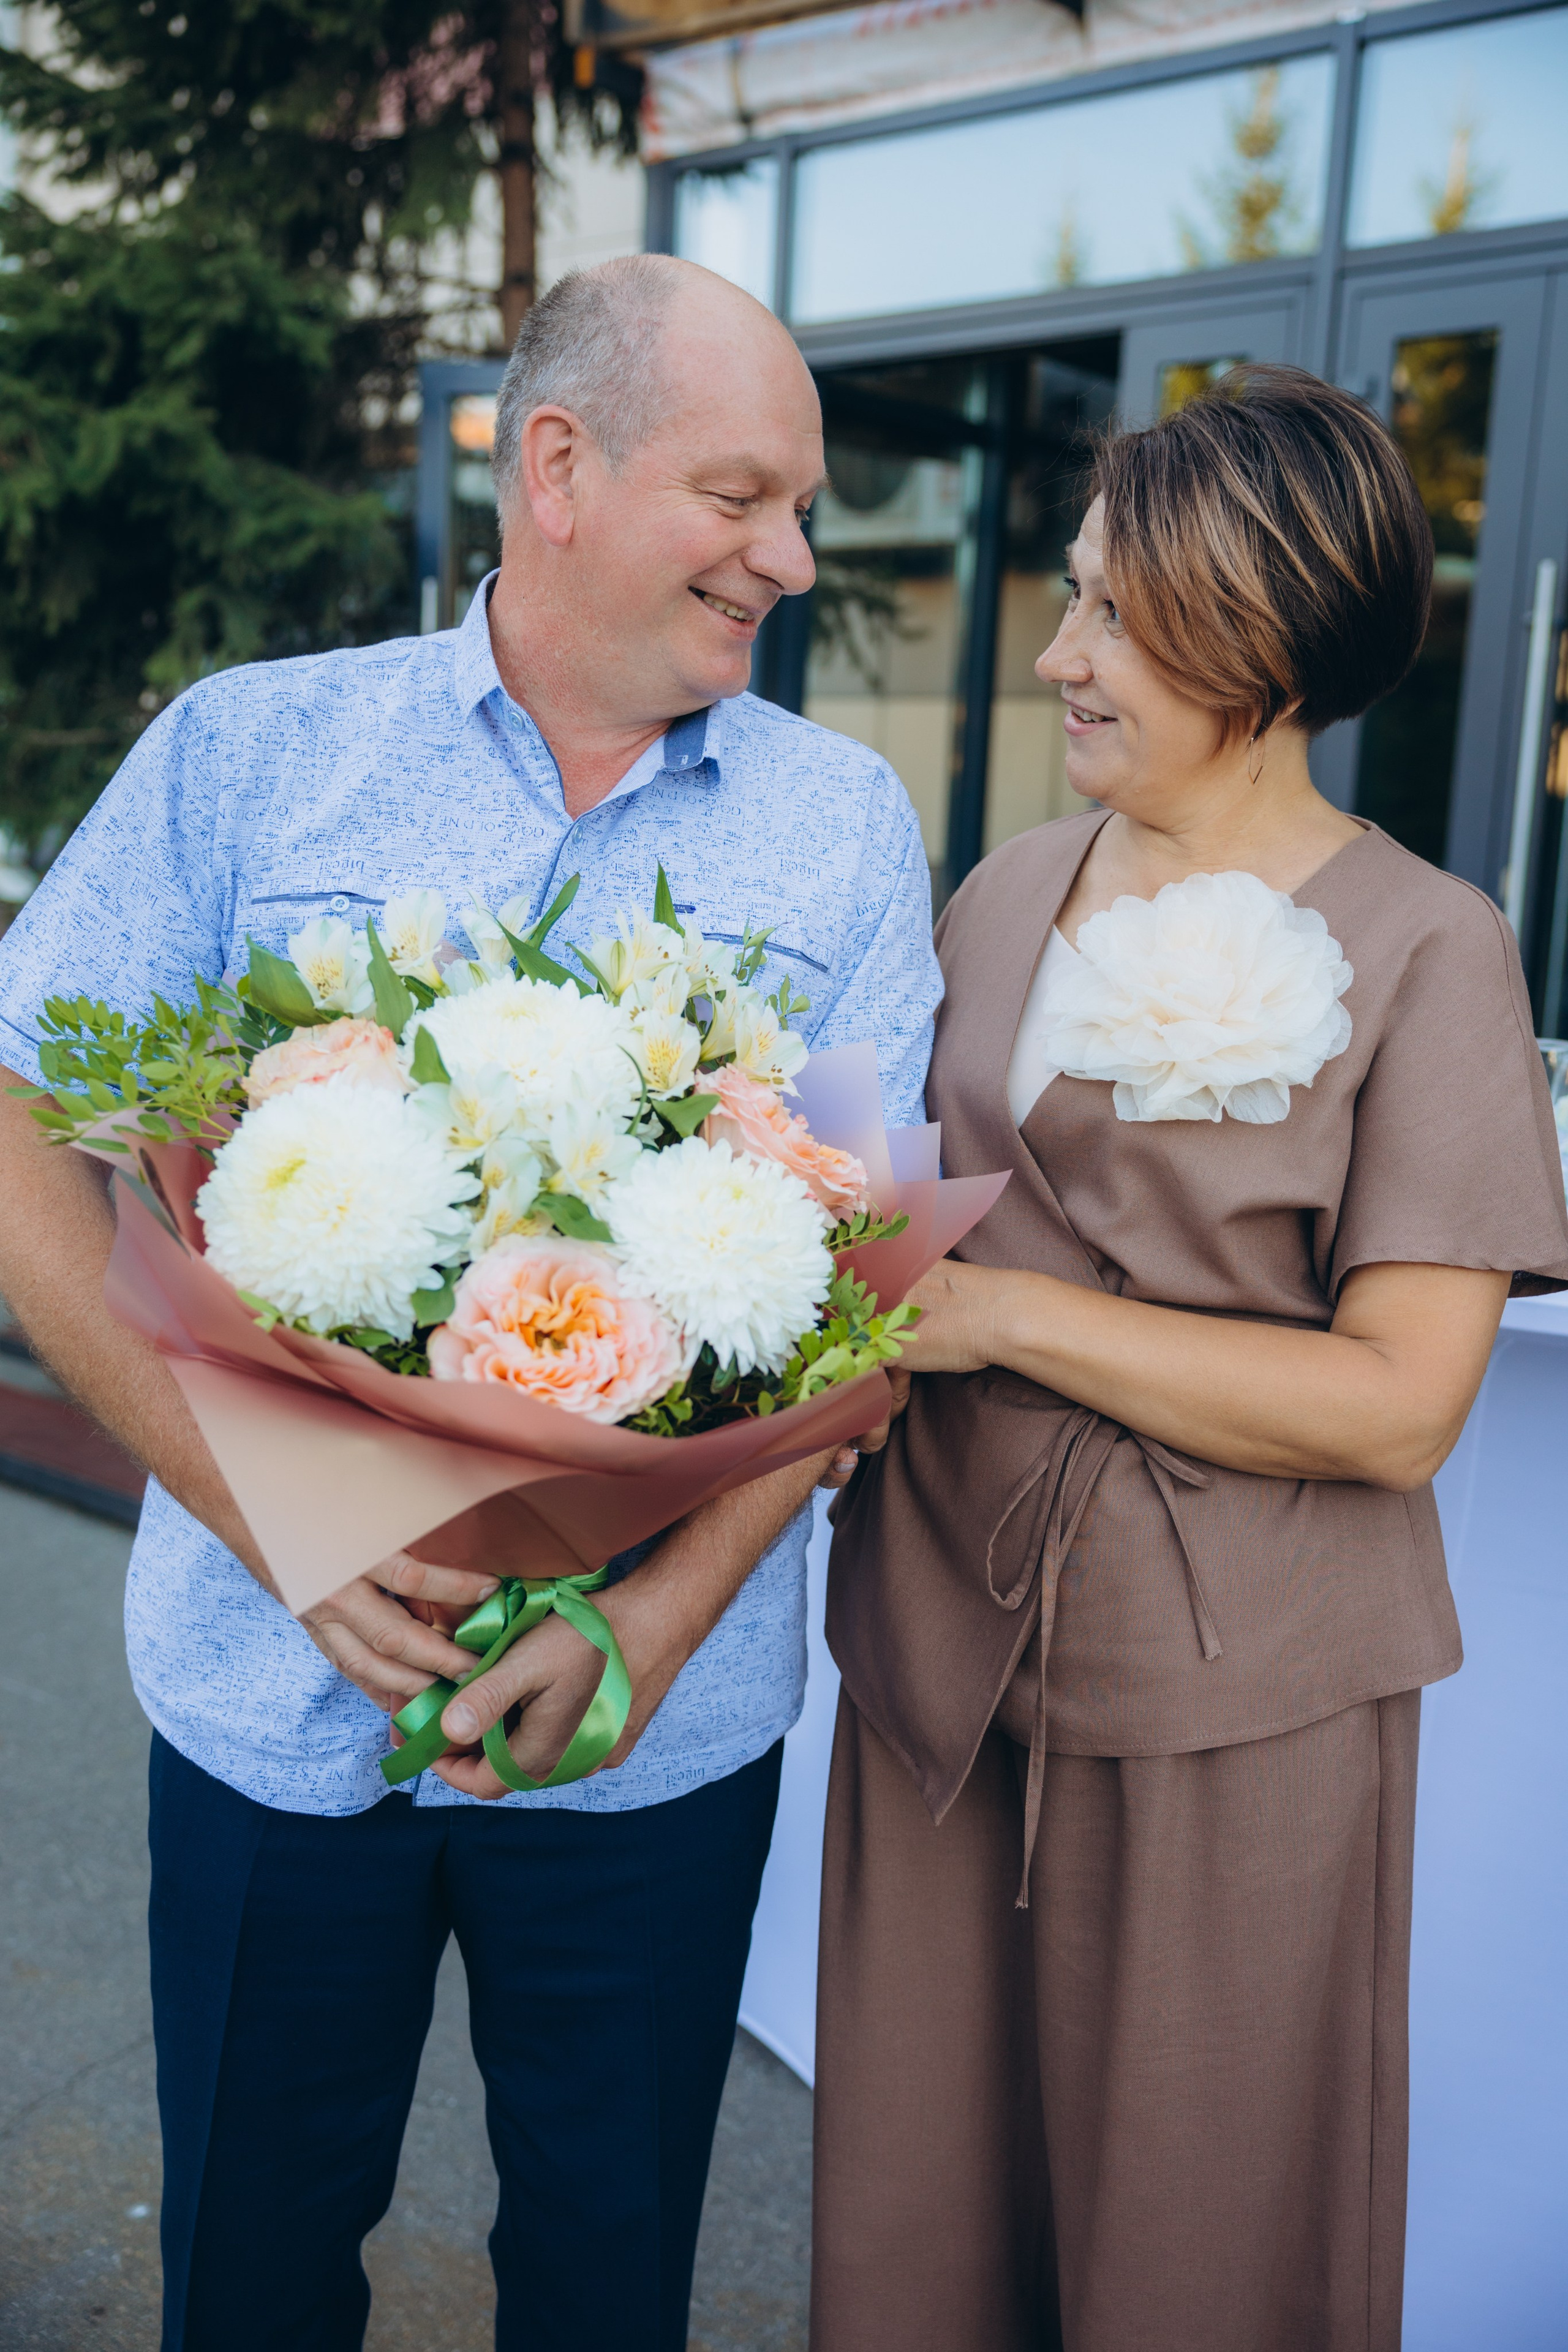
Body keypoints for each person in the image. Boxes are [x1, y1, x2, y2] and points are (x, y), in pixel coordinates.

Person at [0, 254, 940, 2352]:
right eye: (743, 495)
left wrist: (654, 1619)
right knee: (245, 2272)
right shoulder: (252, 759)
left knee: (607, 2285)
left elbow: (869, 1295)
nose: (790, 555)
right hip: (268, 1700)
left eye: (802, 508)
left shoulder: (842, 829)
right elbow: (16, 1136)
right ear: (556, 466)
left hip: (655, 1741)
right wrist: (277, 1527)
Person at [810, 364, 1568, 2352]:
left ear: (1270, 636)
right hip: (937, 1661)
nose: (1058, 653)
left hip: (1246, 1695)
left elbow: (1404, 1405)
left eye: (1114, 619)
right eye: (1070, 596)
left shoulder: (1432, 949)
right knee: (923, 2213)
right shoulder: (993, 898)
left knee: (1200, 2232)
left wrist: (999, 1317)